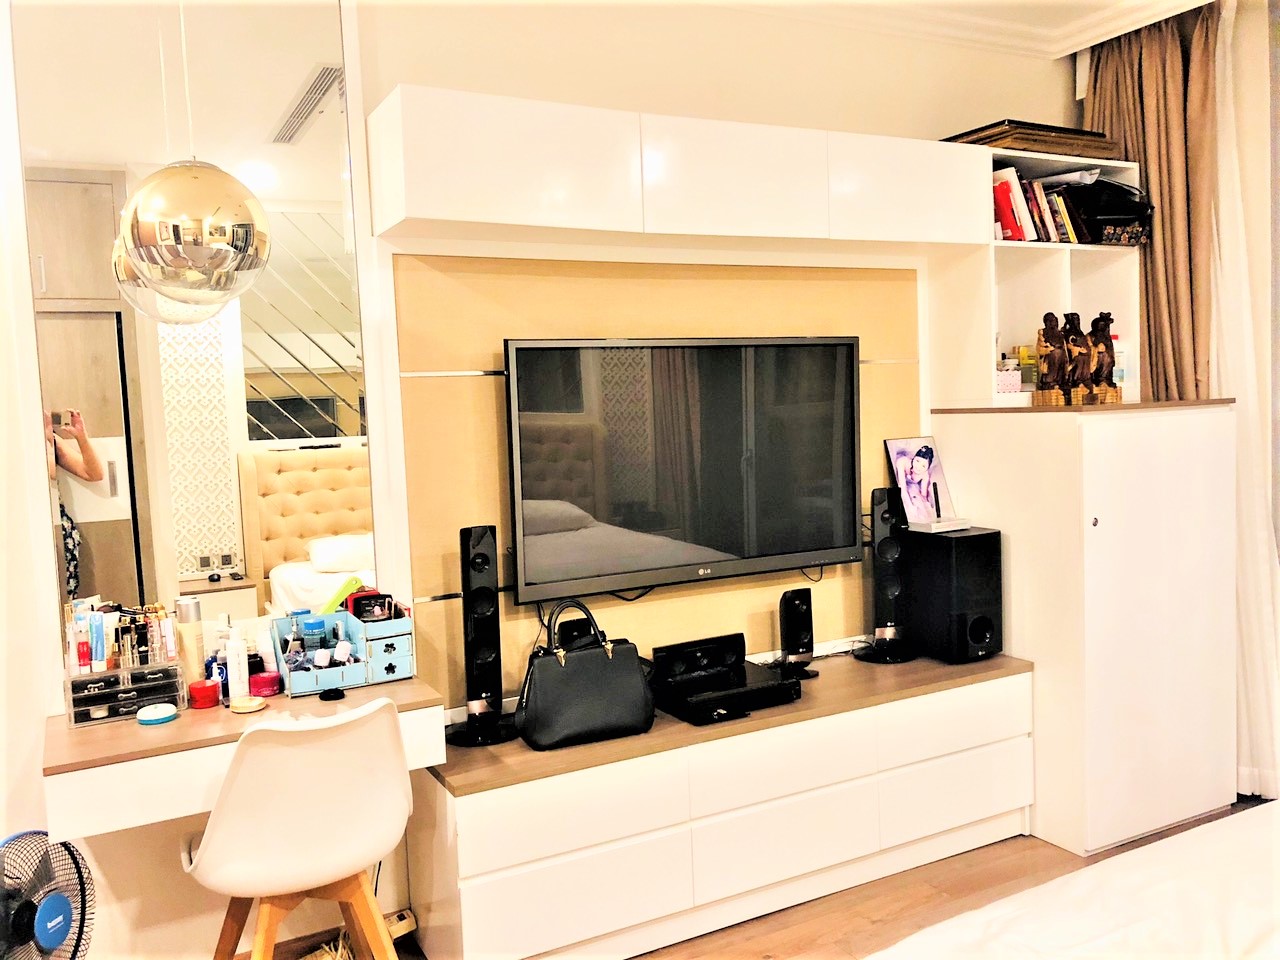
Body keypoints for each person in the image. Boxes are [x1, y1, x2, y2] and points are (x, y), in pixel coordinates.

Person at [45, 409, 103, 599]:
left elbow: (93, 473)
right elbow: (47, 472)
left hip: (61, 533)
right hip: (29, 534)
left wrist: (81, 437)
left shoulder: (51, 441)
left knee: (64, 602)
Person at [894, 444, 937, 522]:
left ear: (927, 468)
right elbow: (902, 488)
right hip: (902, 482)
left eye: (923, 466)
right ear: (913, 458)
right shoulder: (902, 462)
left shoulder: (925, 475)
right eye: (917, 461)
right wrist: (910, 506)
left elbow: (923, 495)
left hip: (911, 485)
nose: (918, 466)